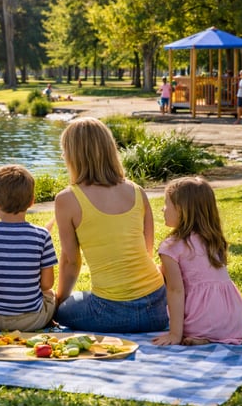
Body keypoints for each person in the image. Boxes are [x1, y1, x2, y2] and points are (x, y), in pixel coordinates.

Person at [53, 117, 168, 333]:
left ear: (74, 155)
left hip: (111, 313)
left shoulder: (67, 199)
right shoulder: (137, 190)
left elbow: (70, 261)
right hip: (157, 310)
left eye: (65, 150)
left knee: (63, 309)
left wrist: (59, 303)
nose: (63, 156)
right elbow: (147, 249)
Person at [152, 177, 242, 346]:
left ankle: (200, 333)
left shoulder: (171, 247)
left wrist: (174, 334)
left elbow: (175, 290)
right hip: (234, 321)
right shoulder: (213, 239)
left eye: (166, 204)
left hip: (202, 318)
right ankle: (209, 337)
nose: (162, 209)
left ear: (181, 210)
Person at [0, 165, 58, 332]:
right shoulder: (42, 236)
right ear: (32, 201)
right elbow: (47, 284)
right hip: (32, 321)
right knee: (51, 295)